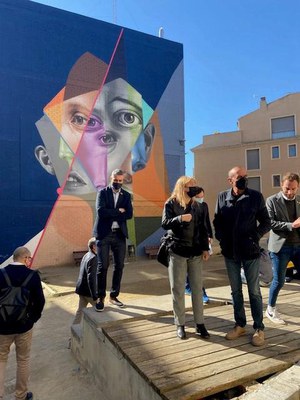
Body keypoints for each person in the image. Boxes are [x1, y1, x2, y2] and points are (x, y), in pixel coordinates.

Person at [213, 166, 271, 347]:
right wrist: (222, 241)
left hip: (250, 252)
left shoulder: (255, 196)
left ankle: (259, 328)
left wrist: (255, 236)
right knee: (235, 291)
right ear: (230, 180)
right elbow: (217, 221)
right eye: (240, 177)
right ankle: (240, 325)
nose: (244, 179)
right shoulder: (222, 197)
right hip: (230, 253)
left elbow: (266, 222)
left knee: (254, 291)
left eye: (245, 176)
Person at [162, 176, 210, 340]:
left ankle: (200, 323)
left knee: (197, 288)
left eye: (195, 185)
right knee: (178, 289)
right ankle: (180, 324)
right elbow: (165, 223)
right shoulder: (171, 203)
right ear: (182, 188)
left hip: (196, 251)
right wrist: (180, 218)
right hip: (177, 251)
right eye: (191, 186)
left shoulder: (199, 205)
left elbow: (204, 228)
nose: (195, 188)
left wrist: (205, 248)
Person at [0, 247, 45, 400]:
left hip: (2, 326)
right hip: (24, 326)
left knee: (0, 359)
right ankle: (21, 396)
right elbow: (40, 301)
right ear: (25, 258)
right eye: (29, 259)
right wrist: (32, 319)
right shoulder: (32, 276)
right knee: (23, 360)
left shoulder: (1, 273)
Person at [94, 169, 133, 311]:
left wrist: (114, 213)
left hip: (119, 235)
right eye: (115, 180)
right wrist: (118, 212)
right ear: (111, 179)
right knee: (102, 266)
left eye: (120, 181)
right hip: (104, 234)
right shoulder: (103, 193)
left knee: (119, 266)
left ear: (123, 181)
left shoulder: (127, 196)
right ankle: (100, 297)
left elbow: (129, 214)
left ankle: (114, 295)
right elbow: (101, 212)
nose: (117, 183)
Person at [265, 172, 300, 324]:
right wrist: (291, 225)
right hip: (280, 247)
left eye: (293, 189)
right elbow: (270, 223)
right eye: (287, 188)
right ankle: (270, 309)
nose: (290, 192)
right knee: (279, 281)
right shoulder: (272, 201)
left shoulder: (299, 201)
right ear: (282, 185)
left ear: (298, 187)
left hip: (298, 246)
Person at [185, 188, 212, 304]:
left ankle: (201, 292)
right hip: (188, 242)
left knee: (196, 270)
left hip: (200, 241)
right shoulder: (189, 206)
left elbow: (206, 222)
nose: (201, 199)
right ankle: (187, 286)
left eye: (202, 196)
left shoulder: (204, 206)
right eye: (199, 197)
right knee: (188, 268)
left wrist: (210, 235)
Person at [72, 237, 99, 324]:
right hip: (89, 292)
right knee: (100, 311)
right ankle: (103, 333)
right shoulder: (93, 258)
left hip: (81, 289)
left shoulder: (86, 255)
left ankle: (73, 334)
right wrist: (94, 295)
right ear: (94, 246)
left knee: (80, 312)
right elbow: (91, 278)